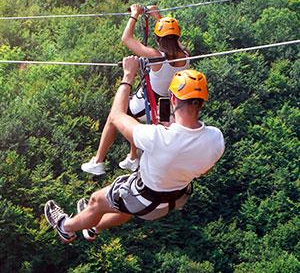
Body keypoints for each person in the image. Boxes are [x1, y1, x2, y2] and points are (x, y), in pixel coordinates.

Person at [44, 56, 225, 243]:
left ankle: (65, 227)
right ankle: (94, 227)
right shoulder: (216, 138)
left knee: (96, 201)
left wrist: (128, 75)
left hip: (144, 198)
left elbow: (116, 116)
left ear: (172, 98)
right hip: (174, 200)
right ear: (202, 102)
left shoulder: (158, 137)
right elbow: (204, 168)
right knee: (125, 207)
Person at [81, 4, 190, 175]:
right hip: (167, 106)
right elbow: (171, 38)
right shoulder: (186, 54)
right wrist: (158, 17)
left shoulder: (156, 57)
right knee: (134, 119)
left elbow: (126, 38)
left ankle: (98, 161)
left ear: (157, 38)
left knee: (114, 116)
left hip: (149, 102)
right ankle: (133, 157)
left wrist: (134, 15)